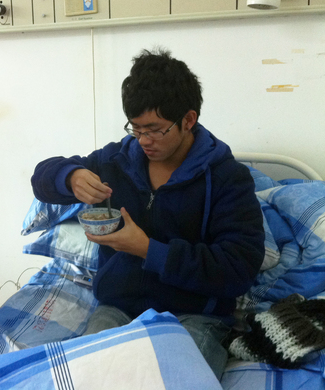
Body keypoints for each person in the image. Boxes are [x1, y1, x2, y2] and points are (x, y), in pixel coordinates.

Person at [30, 48, 265, 380]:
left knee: (176, 381)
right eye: (136, 129)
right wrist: (70, 176)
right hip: (118, 307)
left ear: (188, 120)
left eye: (155, 130)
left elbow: (238, 268)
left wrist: (147, 249)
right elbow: (41, 179)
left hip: (195, 315)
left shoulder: (227, 178)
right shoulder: (115, 161)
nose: (143, 141)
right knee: (91, 379)